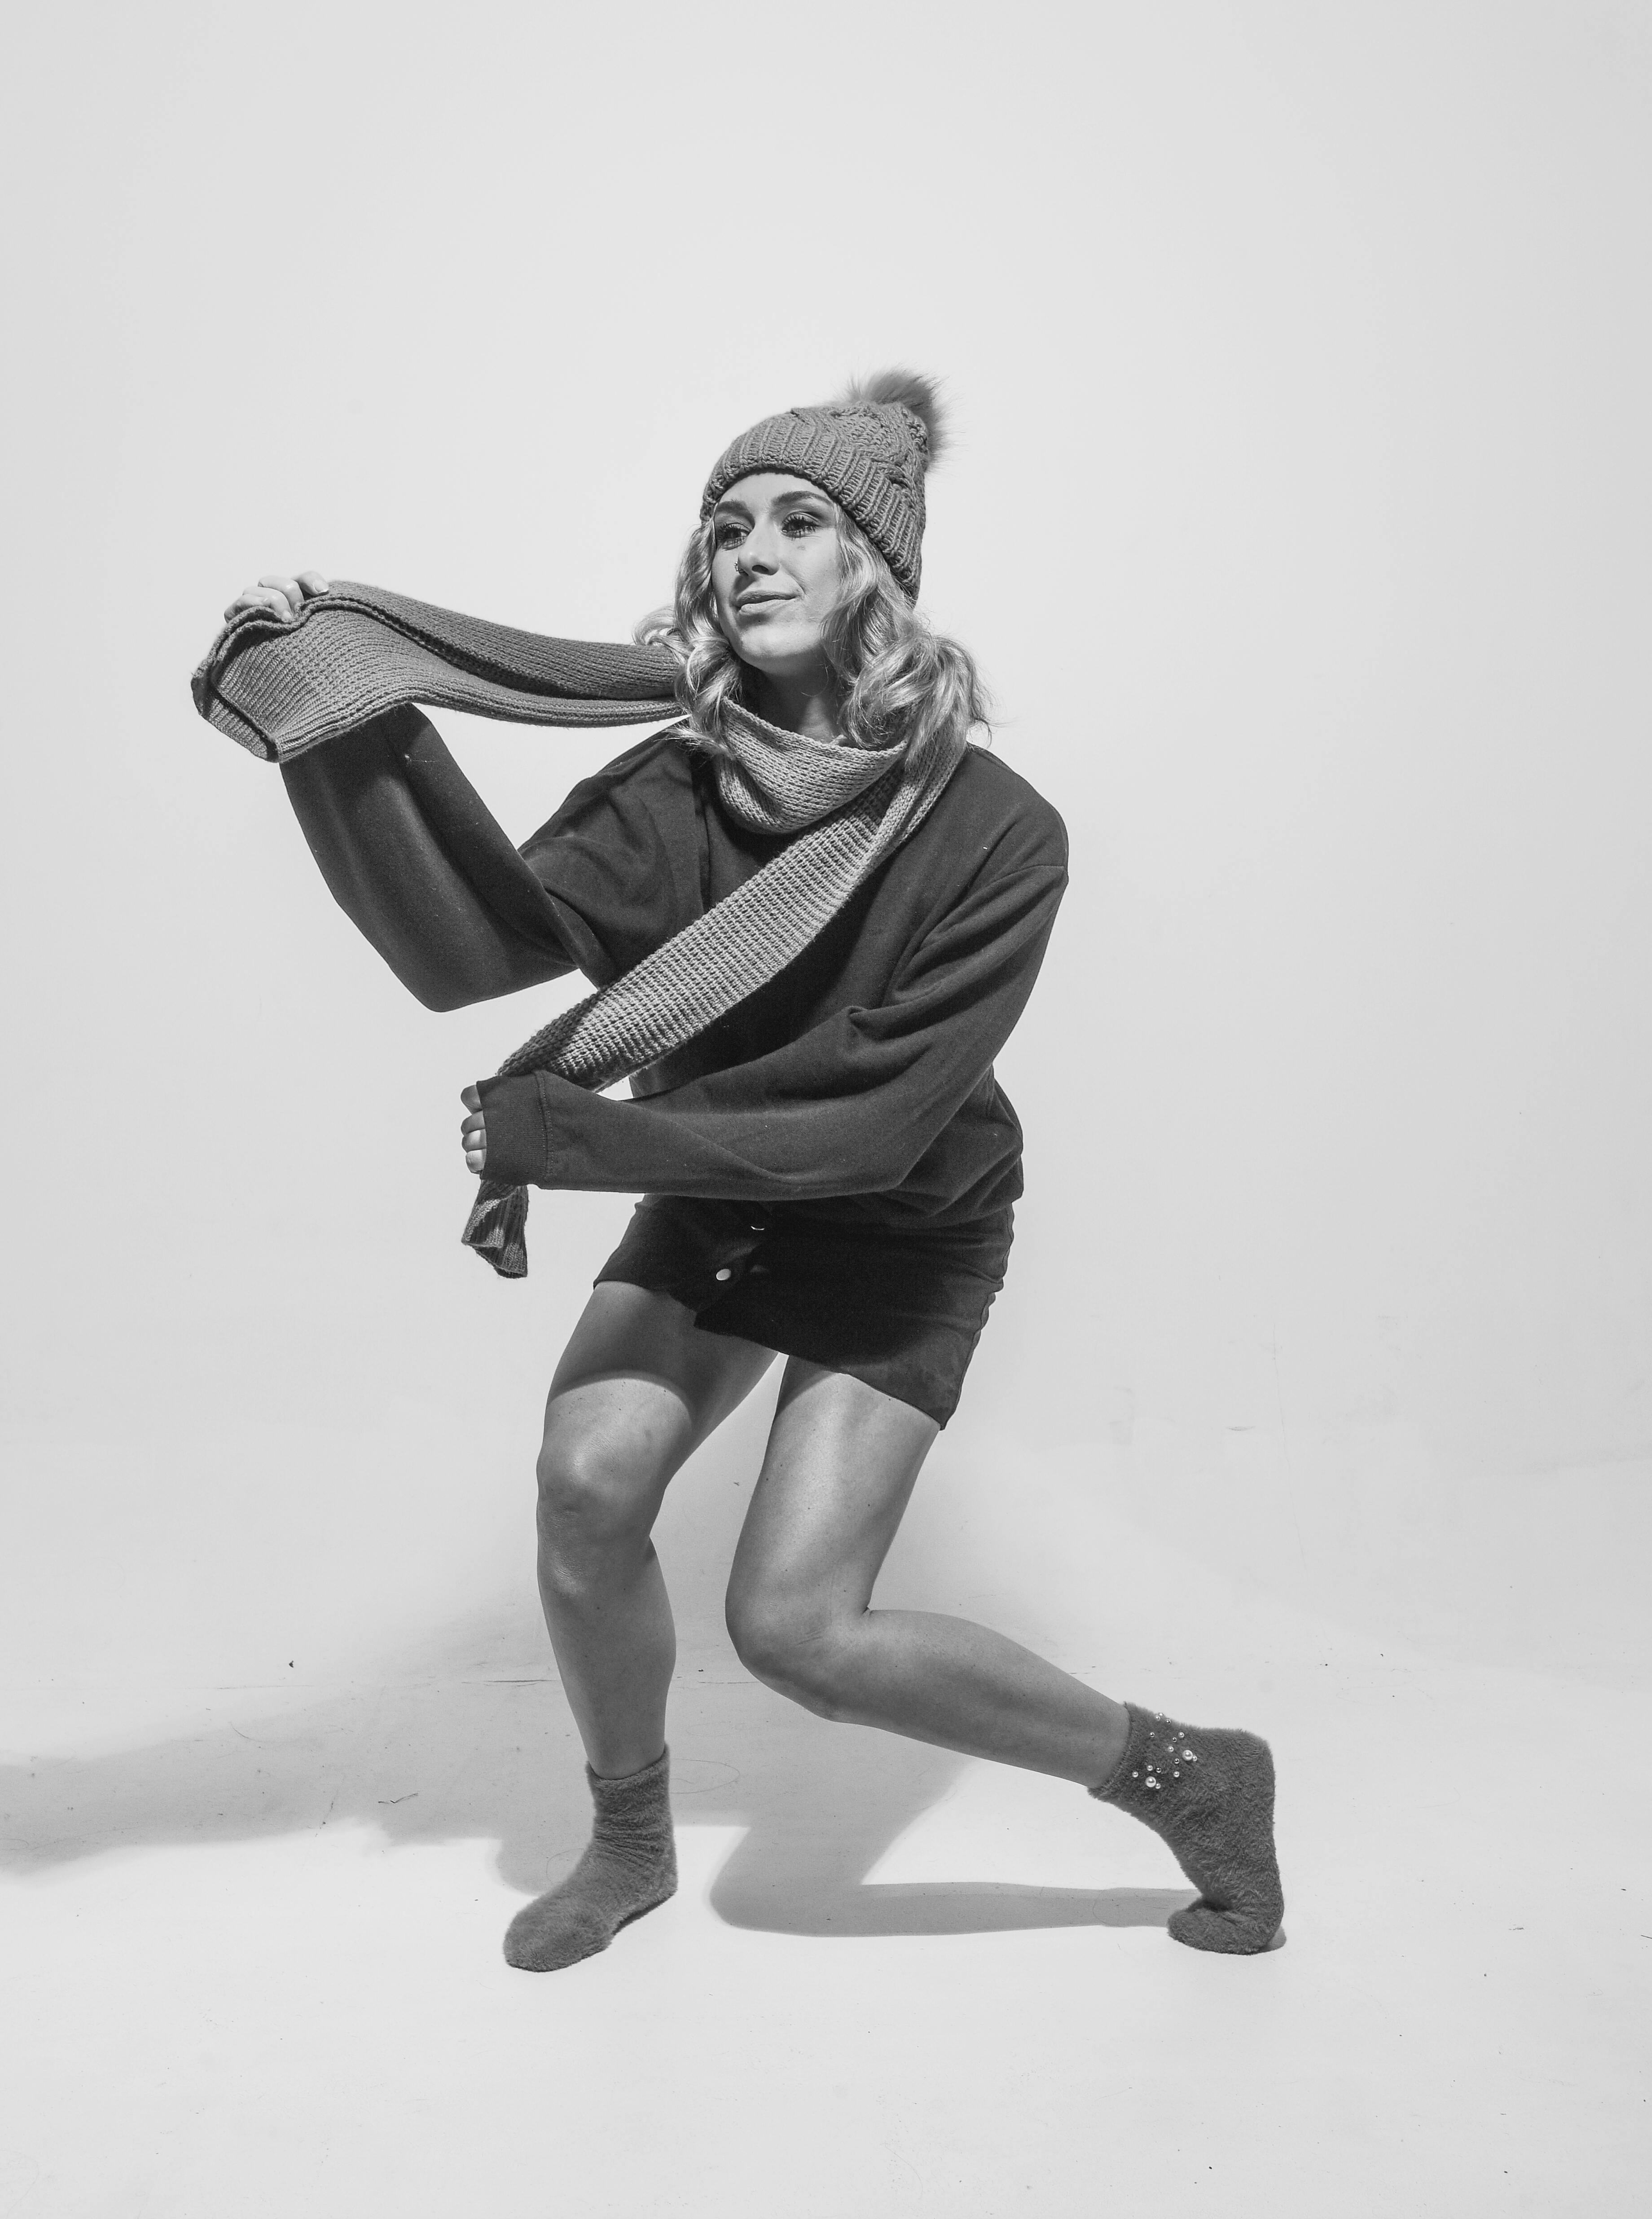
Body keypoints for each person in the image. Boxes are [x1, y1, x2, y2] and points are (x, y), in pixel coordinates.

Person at [226, 373, 1283, 1966]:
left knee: (798, 1630)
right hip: (719, 1191)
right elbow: (470, 952)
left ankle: (1191, 1775)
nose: (753, 555)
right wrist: (328, 708)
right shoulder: (676, 788)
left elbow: (871, 1121)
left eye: (799, 522)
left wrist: (567, 1137)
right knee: (586, 1484)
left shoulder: (999, 832)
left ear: (875, 568)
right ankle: (628, 1838)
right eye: (728, 528)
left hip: (902, 1222)